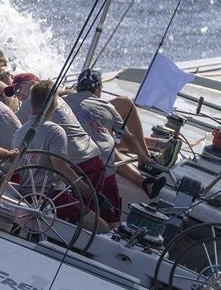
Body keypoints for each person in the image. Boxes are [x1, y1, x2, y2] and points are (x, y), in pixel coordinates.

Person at [10, 74, 121, 224]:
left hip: (79, 165)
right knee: (92, 216)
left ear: (31, 85)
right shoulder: (59, 100)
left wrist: (91, 195)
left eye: (18, 88)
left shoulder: (31, 104)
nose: (17, 95)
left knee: (85, 217)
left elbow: (11, 125)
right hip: (93, 158)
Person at [63, 68, 165, 199]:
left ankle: (144, 174)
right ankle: (144, 175)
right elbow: (129, 139)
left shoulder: (63, 101)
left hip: (73, 152)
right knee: (105, 145)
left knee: (104, 139)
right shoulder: (107, 107)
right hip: (90, 160)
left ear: (77, 88)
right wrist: (143, 156)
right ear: (99, 90)